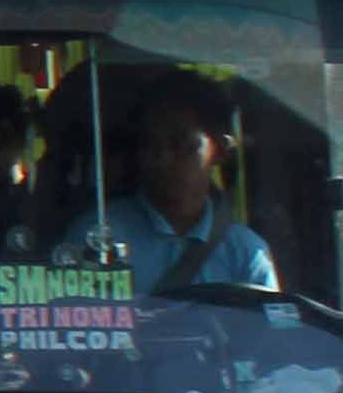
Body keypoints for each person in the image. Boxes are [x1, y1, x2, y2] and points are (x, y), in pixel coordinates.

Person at [78, 74, 278, 297]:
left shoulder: (245, 253)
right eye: (151, 145)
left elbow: (268, 331)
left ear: (219, 150)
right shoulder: (99, 238)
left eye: (182, 145)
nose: (163, 160)